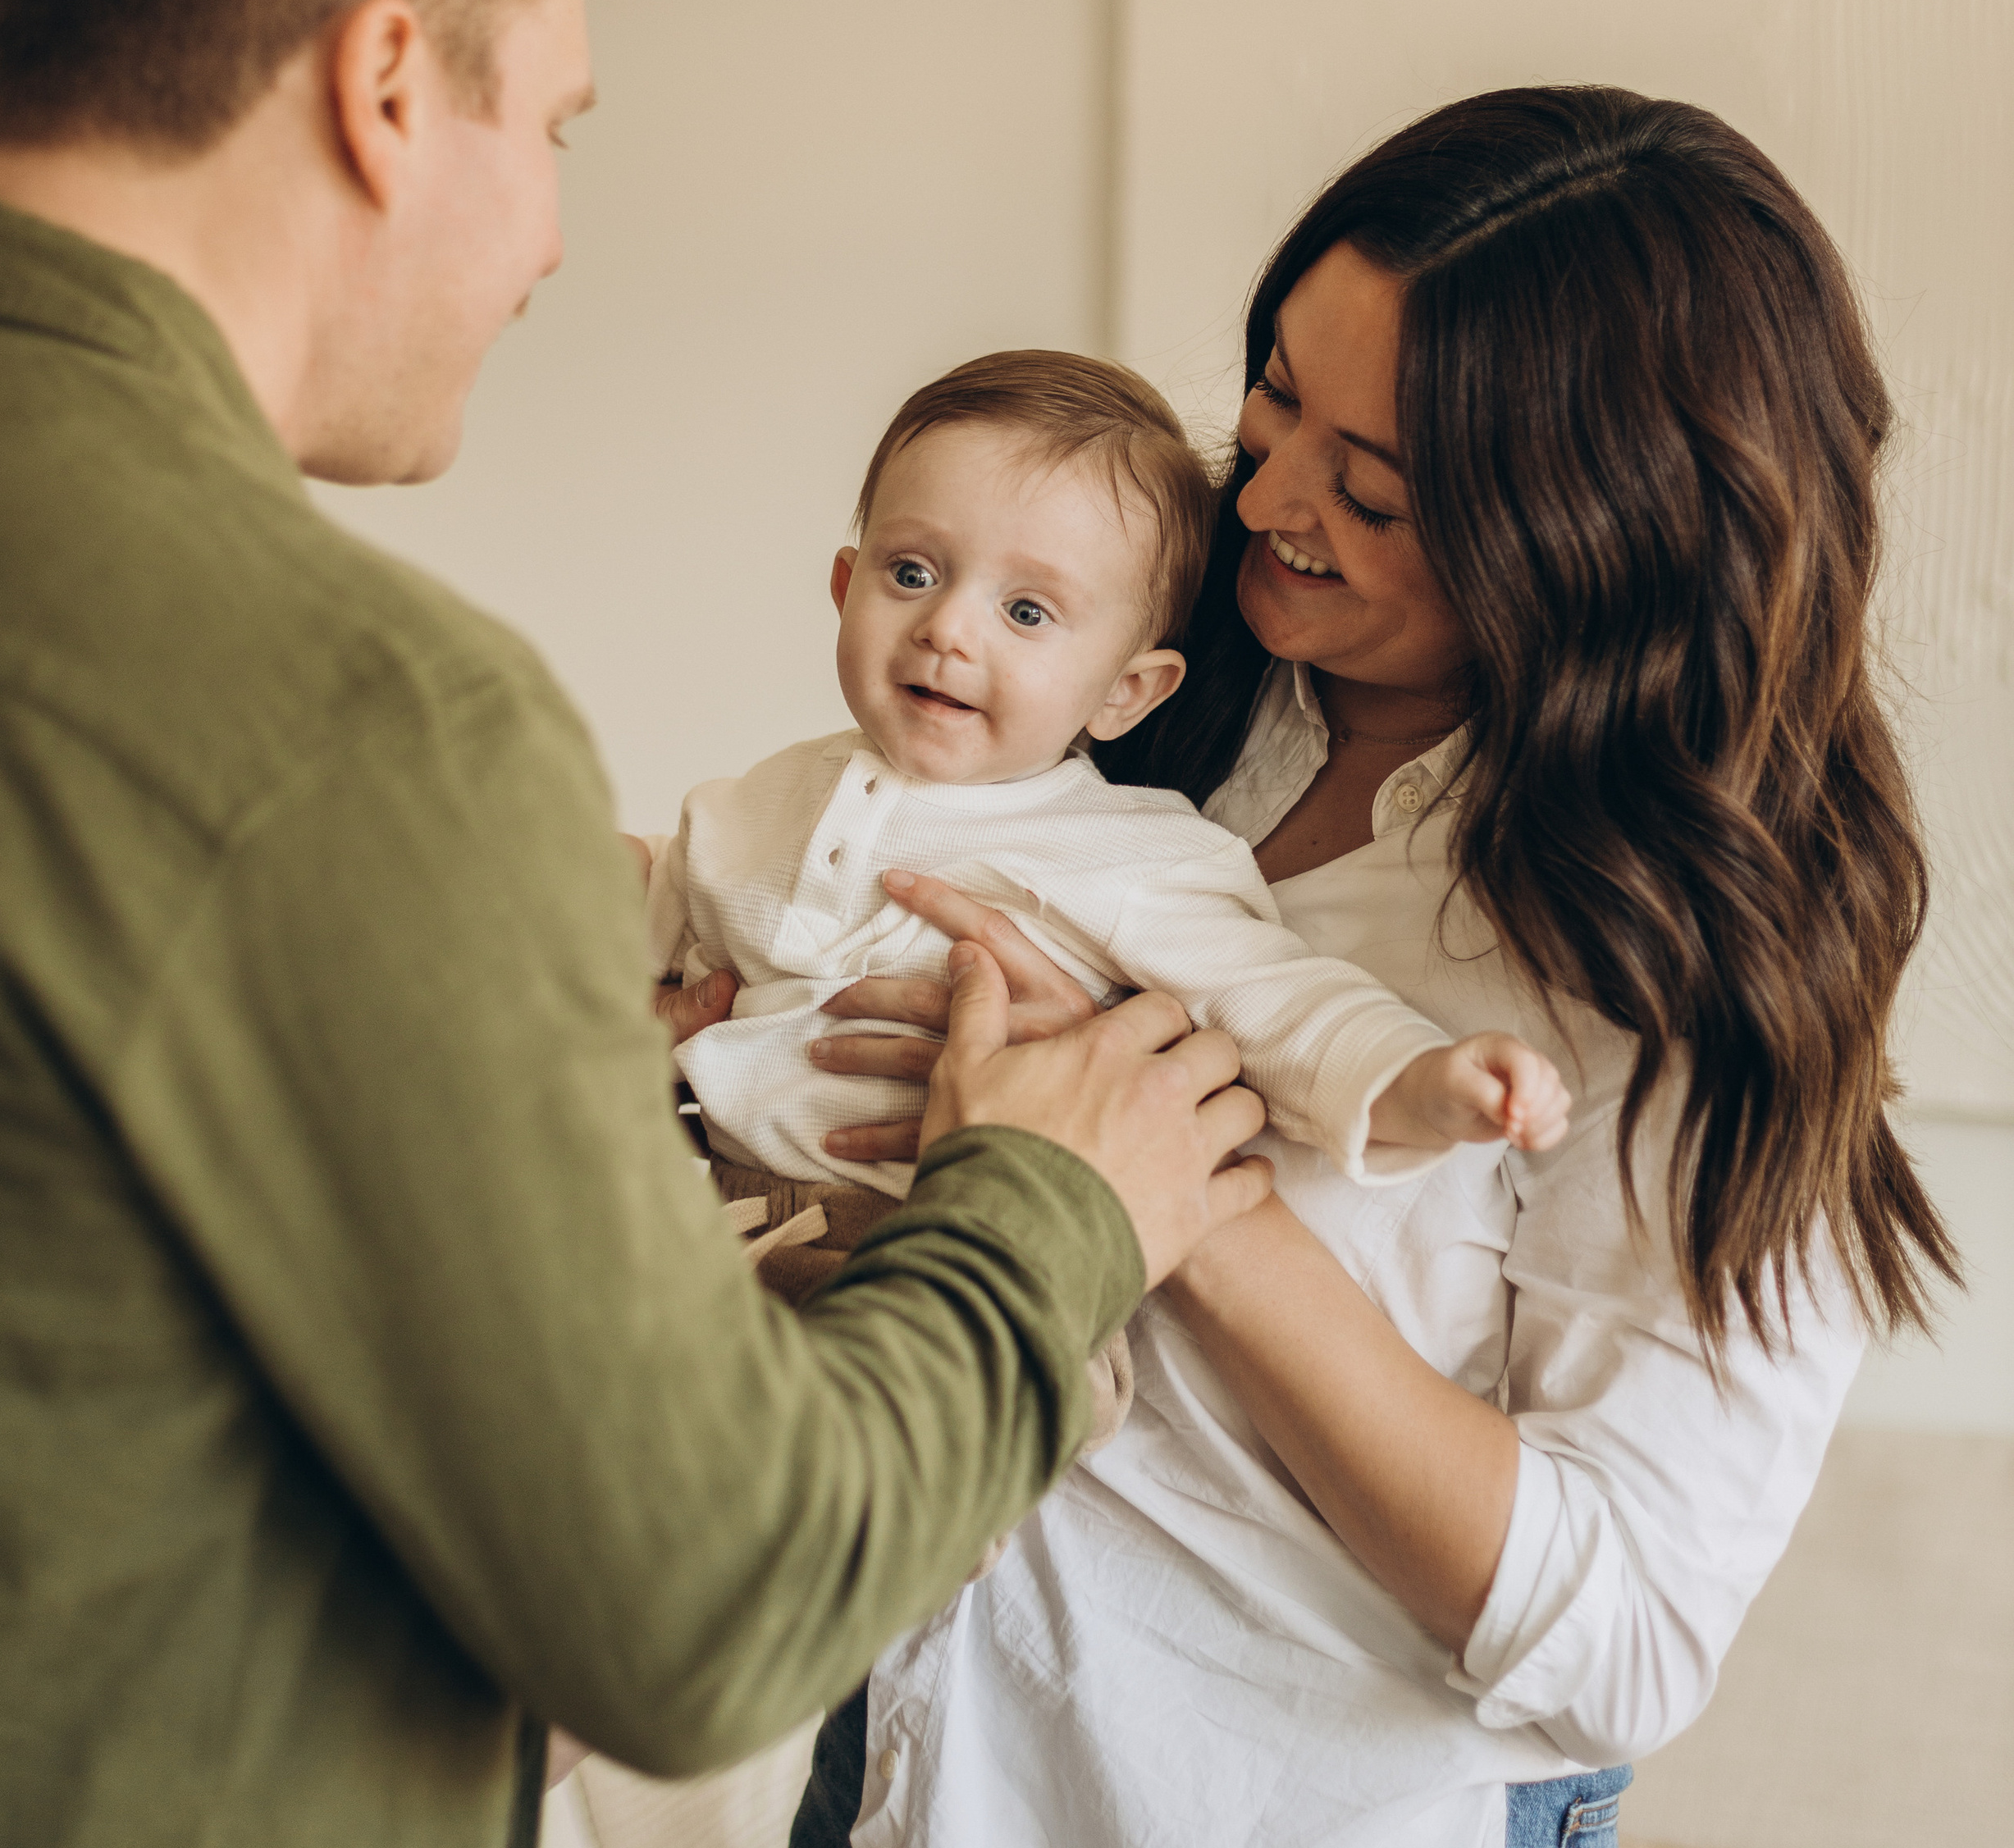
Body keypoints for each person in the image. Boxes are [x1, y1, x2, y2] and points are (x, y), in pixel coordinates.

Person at [0, 0, 1271, 1848]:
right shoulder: (354, 718)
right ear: (382, 82)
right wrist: (1042, 1213)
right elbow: (700, 1600)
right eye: (554, 123)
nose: (548, 227)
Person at [708, 86, 1958, 1848]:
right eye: (1274, 391)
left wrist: (1190, 1209)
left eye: (1370, 483)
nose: (1263, 498)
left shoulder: (1674, 967)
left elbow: (1621, 1632)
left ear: (1600, 524)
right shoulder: (1147, 723)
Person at [649, 345, 1570, 1450]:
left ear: (1129, 691)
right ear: (845, 589)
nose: (950, 628)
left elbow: (1272, 1001)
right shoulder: (775, 792)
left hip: (940, 1243)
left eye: (1028, 613)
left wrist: (1416, 1082)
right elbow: (661, 894)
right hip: (707, 1188)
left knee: (848, 1453)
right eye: (912, 574)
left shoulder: (1128, 855)